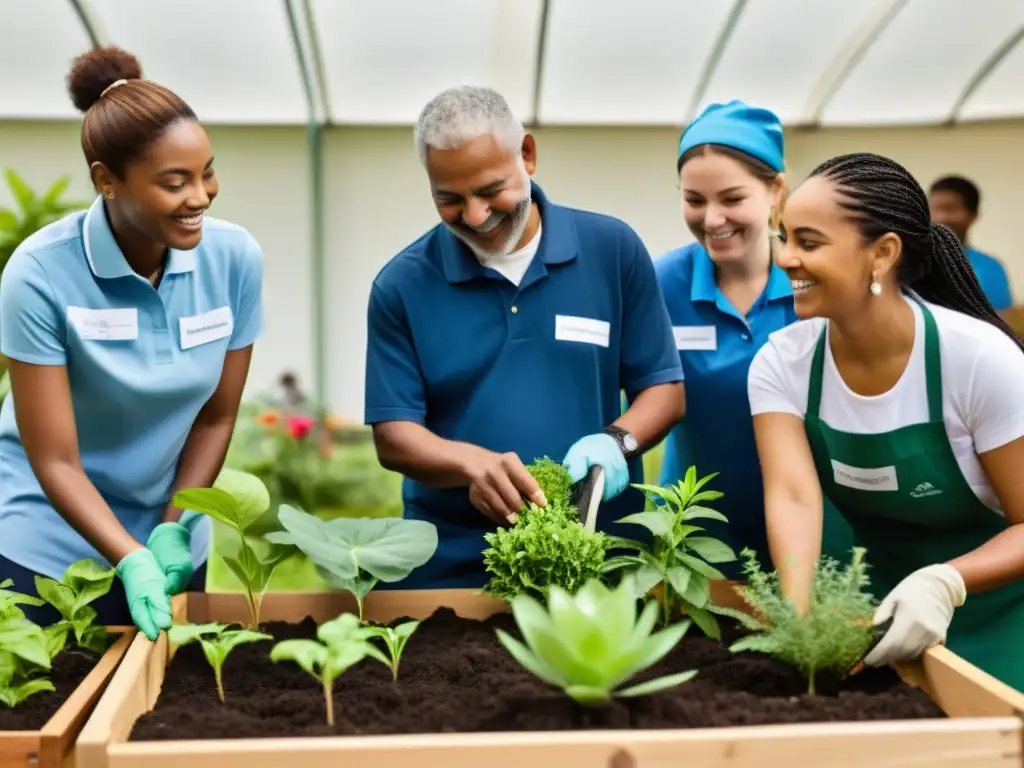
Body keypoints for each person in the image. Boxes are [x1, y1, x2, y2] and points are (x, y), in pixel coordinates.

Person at [363, 85, 685, 588]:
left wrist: (616, 443)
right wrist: (472, 465)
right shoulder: (402, 285)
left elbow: (664, 388)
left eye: (491, 190)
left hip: (597, 556)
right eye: (449, 199)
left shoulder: (611, 250)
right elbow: (394, 436)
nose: (474, 216)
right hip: (452, 569)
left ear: (528, 155)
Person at [0, 47, 265, 639]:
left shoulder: (234, 260)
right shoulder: (39, 274)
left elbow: (216, 420)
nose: (200, 196)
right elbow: (54, 459)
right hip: (45, 552)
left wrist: (172, 529)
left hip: (172, 542)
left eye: (207, 172)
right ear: (107, 181)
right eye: (175, 183)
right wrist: (128, 557)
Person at [748, 151, 1024, 691]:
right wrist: (805, 625)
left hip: (999, 620)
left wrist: (945, 582)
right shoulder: (782, 363)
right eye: (783, 237)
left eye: (809, 242)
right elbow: (794, 497)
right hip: (872, 623)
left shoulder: (977, 360)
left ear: (882, 254)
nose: (785, 258)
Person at [654, 100, 853, 577]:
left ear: (775, 191)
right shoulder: (661, 285)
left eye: (732, 198)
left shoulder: (814, 283)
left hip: (817, 523)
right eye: (694, 200)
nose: (712, 219)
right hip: (698, 530)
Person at [929, 175, 1013, 311]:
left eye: (951, 209)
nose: (941, 217)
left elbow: (1002, 322)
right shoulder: (904, 262)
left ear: (973, 214)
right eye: (934, 209)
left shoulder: (989, 268)